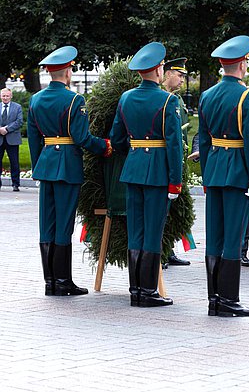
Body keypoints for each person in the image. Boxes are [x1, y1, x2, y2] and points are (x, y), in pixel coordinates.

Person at [27, 46, 112, 296]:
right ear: (66, 72)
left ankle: (50, 282)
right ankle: (63, 281)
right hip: (67, 165)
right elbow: (81, 137)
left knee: (47, 224)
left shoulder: (35, 99)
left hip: (46, 165)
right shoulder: (75, 100)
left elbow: (34, 140)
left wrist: (37, 167)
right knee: (64, 224)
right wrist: (104, 146)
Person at [110, 42, 183, 307]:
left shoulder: (126, 97)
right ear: (157, 70)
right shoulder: (168, 100)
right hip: (157, 173)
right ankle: (148, 292)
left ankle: (135, 291)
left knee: (136, 231)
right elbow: (174, 144)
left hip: (133, 168)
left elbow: (116, 139)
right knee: (152, 231)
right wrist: (176, 180)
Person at [198, 35, 249, 317]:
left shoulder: (206, 95)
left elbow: (203, 140)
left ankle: (214, 299)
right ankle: (228, 300)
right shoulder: (248, 96)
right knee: (233, 237)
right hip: (237, 172)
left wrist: (205, 174)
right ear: (243, 63)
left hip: (214, 170)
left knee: (214, 236)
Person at [161, 57, 191, 267]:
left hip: (177, 161)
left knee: (172, 210)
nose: (182, 80)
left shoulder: (177, 100)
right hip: (161, 162)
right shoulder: (161, 98)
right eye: (179, 75)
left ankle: (168, 248)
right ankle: (159, 252)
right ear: (168, 73)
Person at [0, 88, 23, 191]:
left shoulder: (17, 107)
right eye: (3, 96)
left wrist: (7, 129)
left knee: (14, 162)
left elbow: (19, 121)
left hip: (12, 138)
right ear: (0, 96)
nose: (5, 98)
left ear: (11, 96)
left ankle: (15, 184)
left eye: (7, 96)